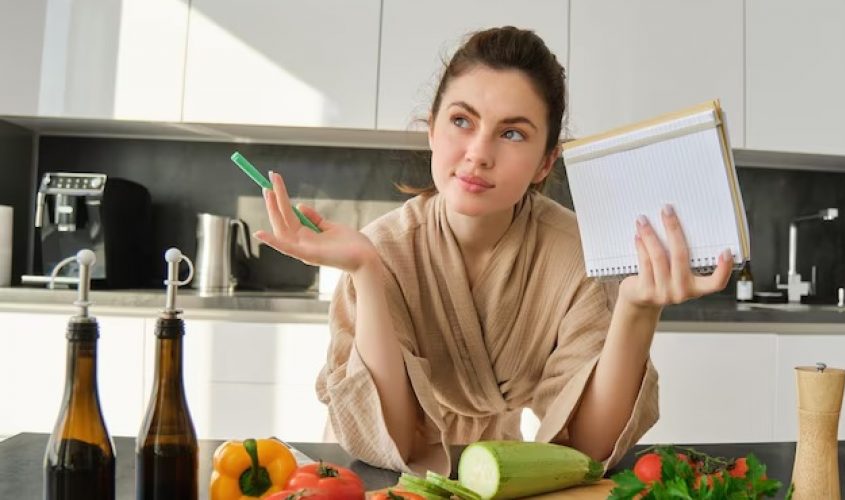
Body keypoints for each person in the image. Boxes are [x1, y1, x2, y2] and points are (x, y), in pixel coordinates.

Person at [254, 26, 733, 474]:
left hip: (497, 467)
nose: (479, 153)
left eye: (512, 133)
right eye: (462, 121)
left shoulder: (576, 255)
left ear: (546, 161)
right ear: (431, 130)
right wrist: (365, 271)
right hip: (379, 477)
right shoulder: (381, 248)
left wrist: (637, 309)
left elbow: (586, 448)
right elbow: (393, 441)